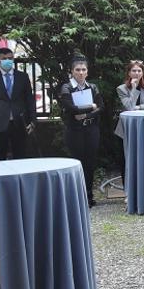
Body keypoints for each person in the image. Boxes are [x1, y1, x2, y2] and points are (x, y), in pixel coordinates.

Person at [59, 57, 101, 205]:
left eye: (83, 70)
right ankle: (77, 197)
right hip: (74, 130)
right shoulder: (66, 88)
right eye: (78, 70)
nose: (81, 72)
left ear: (87, 72)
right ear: (72, 71)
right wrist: (91, 105)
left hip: (91, 129)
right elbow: (70, 108)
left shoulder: (93, 87)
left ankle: (89, 196)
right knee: (77, 162)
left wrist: (86, 114)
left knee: (90, 163)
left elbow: (100, 107)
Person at [0, 46, 35, 161]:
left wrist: (32, 120)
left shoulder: (22, 77)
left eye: (10, 58)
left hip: (19, 122)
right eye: (4, 58)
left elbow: (29, 99)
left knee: (20, 155)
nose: (8, 61)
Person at [115, 60, 144, 127]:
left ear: (142, 73)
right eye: (134, 71)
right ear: (129, 73)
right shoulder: (121, 89)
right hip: (129, 123)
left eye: (139, 71)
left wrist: (139, 107)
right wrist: (134, 88)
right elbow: (129, 107)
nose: (137, 73)